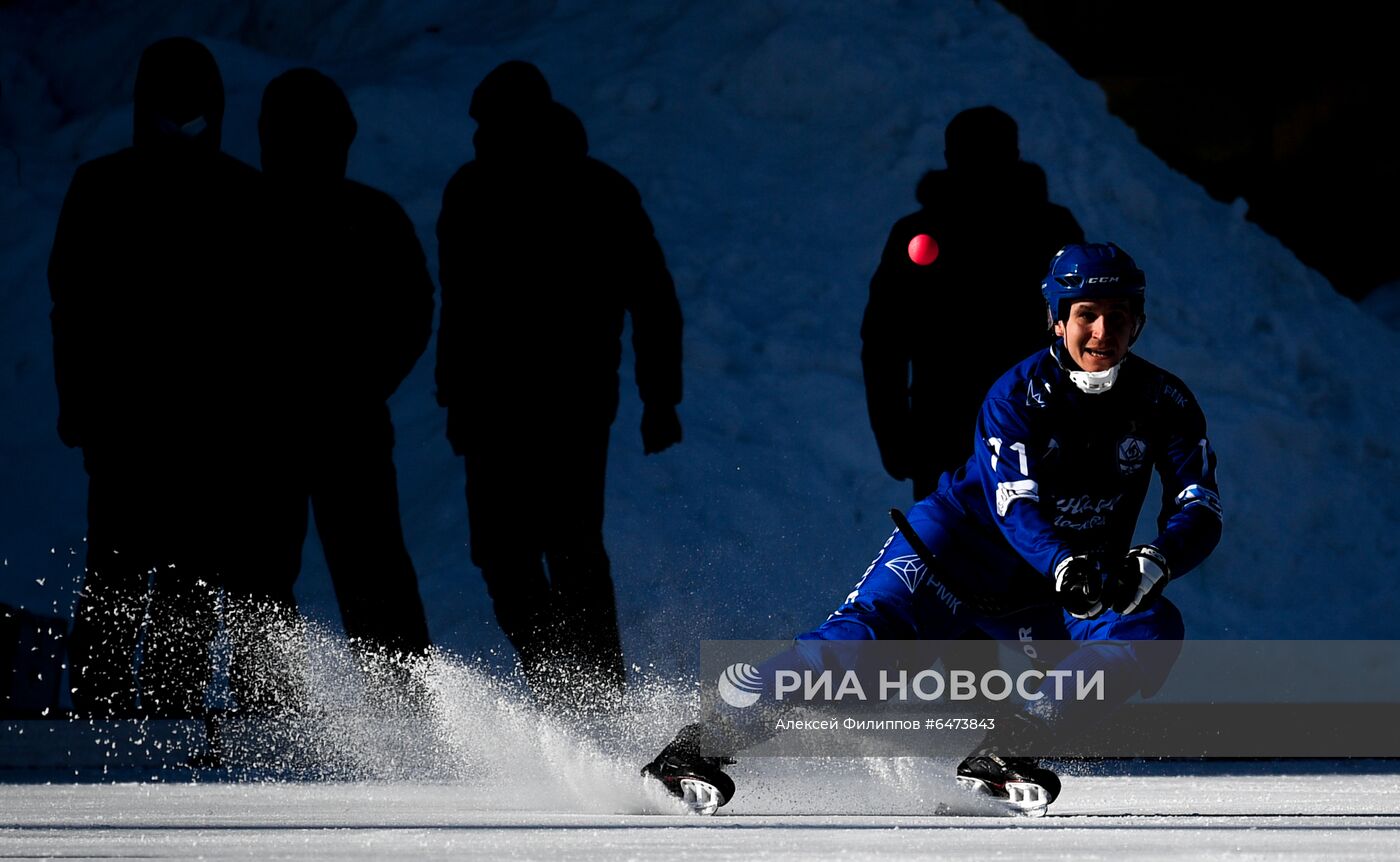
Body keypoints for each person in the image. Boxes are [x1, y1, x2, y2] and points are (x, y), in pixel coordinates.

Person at [643, 243, 1222, 815]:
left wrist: (1156, 561)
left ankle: (1010, 751)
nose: (1102, 332)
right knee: (858, 649)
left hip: (1051, 586)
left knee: (1148, 627)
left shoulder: (1165, 401)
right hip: (953, 553)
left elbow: (1200, 505)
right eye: (1086, 316)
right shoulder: (1013, 397)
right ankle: (695, 748)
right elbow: (1013, 504)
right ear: (1055, 319)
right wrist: (1066, 564)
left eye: (1118, 317)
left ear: (1138, 324)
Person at [435, 61, 683, 711]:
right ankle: (567, 689)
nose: (483, 134)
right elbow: (458, 305)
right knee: (509, 557)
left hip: (567, 405)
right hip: (501, 406)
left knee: (564, 553)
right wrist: (454, 392)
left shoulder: (594, 192)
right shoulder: (472, 192)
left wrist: (662, 399)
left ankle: (595, 695)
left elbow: (652, 299)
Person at [48, 37, 272, 719]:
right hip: (167, 424)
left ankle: (118, 719)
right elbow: (74, 306)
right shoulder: (237, 191)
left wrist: (80, 404)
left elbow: (73, 307)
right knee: (159, 576)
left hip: (162, 423)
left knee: (151, 576)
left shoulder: (106, 185)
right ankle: (128, 719)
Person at [255, 68, 434, 671]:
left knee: (355, 572)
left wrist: (359, 386)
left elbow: (412, 312)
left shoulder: (247, 214)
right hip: (300, 424)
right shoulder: (365, 215)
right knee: (294, 574)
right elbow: (414, 313)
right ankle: (397, 711)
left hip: (318, 423)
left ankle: (399, 714)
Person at [862, 106, 1083, 501]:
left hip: (1017, 433)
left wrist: (895, 437)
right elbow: (885, 345)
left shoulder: (1051, 232)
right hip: (977, 437)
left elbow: (884, 346)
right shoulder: (1051, 230)